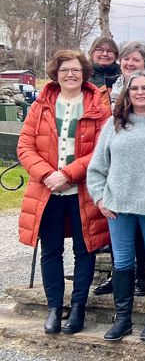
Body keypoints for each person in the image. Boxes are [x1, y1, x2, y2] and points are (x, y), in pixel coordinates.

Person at [17, 49, 111, 335]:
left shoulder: (98, 105)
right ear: (55, 74)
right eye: (64, 70)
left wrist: (68, 174)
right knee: (51, 249)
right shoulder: (41, 104)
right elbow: (25, 146)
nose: (70, 74)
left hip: (83, 190)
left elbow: (102, 149)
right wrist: (48, 175)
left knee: (85, 250)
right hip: (47, 191)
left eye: (76, 70)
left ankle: (78, 307)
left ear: (84, 73)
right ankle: (54, 307)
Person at [87, 71, 145, 342]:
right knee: (124, 262)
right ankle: (123, 319)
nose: (140, 92)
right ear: (127, 94)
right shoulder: (114, 125)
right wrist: (100, 198)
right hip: (118, 207)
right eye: (134, 89)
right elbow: (97, 168)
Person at [94, 42, 145, 299]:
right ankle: (122, 300)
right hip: (120, 181)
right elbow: (99, 160)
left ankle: (144, 281)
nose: (130, 64)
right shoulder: (111, 91)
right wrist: (100, 195)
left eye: (136, 60)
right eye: (126, 59)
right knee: (121, 249)